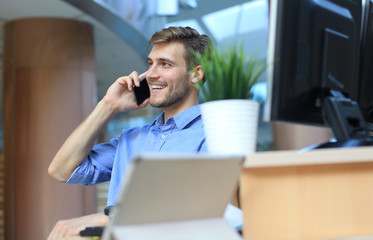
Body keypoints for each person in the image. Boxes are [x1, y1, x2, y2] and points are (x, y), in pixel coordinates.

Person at [47, 26, 211, 239]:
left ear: (195, 74)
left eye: (165, 64)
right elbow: (60, 170)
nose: (151, 75)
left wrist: (108, 218)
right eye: (151, 63)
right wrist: (108, 106)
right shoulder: (130, 139)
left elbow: (207, 215)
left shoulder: (212, 136)